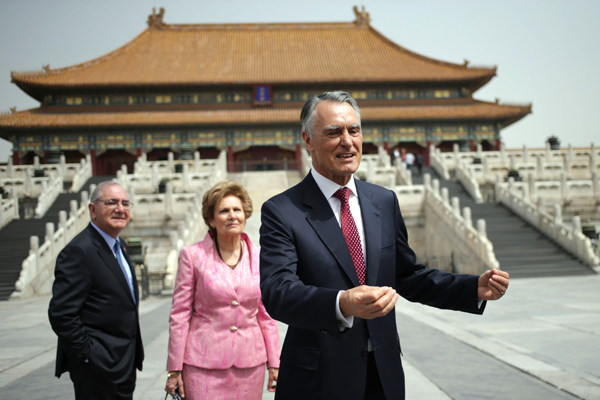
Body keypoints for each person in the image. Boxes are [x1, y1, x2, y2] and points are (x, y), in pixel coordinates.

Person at [259, 91, 509, 399]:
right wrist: (342, 303)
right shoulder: (283, 210)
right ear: (308, 140)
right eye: (334, 132)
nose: (348, 141)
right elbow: (278, 292)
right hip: (319, 380)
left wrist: (471, 289)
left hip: (383, 373)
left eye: (354, 130)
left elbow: (406, 275)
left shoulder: (383, 200)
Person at [165, 181, 280, 400]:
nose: (232, 216)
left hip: (250, 364)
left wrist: (274, 362)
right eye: (223, 211)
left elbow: (266, 315)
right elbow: (179, 315)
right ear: (211, 219)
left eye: (237, 210)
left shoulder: (260, 258)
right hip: (203, 364)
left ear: (245, 215)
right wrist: (174, 368)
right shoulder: (193, 256)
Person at [49, 181, 143, 400]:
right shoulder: (79, 250)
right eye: (111, 202)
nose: (121, 209)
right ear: (93, 209)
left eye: (125, 203)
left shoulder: (120, 246)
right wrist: (88, 355)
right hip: (97, 368)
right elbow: (61, 314)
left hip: (124, 362)